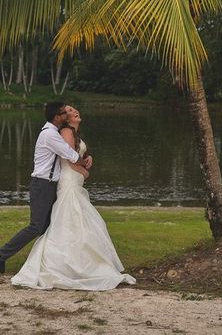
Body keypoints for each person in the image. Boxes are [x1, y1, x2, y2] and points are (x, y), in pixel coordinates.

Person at [10, 105, 136, 290]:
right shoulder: (66, 132)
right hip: (69, 181)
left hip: (74, 181)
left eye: (74, 108)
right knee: (71, 219)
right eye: (69, 110)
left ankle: (82, 260)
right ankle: (68, 264)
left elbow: (77, 154)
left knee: (78, 219)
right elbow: (69, 159)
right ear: (64, 118)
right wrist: (84, 171)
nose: (74, 111)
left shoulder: (73, 133)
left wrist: (88, 158)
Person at [0, 101, 92, 274]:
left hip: (52, 184)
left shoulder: (55, 132)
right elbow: (70, 155)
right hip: (42, 184)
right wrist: (84, 164)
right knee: (37, 226)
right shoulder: (50, 135)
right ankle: (2, 253)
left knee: (53, 224)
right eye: (64, 113)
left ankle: (52, 261)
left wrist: (86, 158)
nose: (66, 115)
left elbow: (73, 153)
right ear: (57, 118)